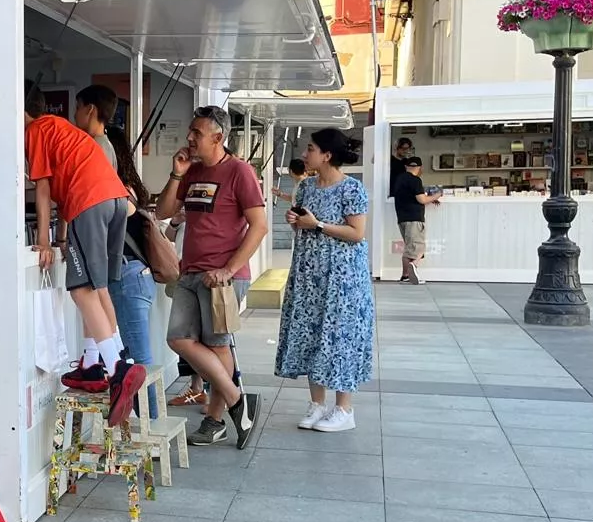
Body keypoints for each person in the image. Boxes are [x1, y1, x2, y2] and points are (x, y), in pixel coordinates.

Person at [26, 85, 146, 423]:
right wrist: (63, 237)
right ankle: (96, 363)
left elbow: (45, 188)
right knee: (99, 287)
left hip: (89, 202)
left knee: (81, 290)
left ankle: (118, 369)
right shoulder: (60, 128)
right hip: (116, 201)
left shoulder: (35, 130)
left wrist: (48, 242)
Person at [155, 106, 267, 448]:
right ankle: (238, 400)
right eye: (190, 131)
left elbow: (260, 225)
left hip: (223, 277)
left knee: (217, 346)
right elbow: (163, 212)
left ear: (218, 138)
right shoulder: (191, 171)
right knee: (178, 339)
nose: (189, 138)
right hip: (190, 270)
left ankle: (215, 420)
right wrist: (176, 174)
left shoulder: (239, 172)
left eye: (197, 134)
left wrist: (229, 270)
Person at [276, 129, 376, 432]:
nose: (305, 154)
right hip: (309, 274)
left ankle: (344, 408)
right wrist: (297, 222)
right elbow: (302, 224)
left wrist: (316, 224)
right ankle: (317, 403)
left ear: (327, 155)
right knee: (310, 332)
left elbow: (357, 233)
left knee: (340, 336)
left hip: (343, 279)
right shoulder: (306, 187)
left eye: (311, 149)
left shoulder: (352, 189)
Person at [73, 89, 161, 418]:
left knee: (136, 359)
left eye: (78, 108)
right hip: (132, 271)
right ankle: (96, 363)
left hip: (127, 272)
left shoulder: (94, 151)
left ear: (90, 110)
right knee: (134, 353)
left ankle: (145, 424)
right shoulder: (111, 155)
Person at [392, 156, 440, 284]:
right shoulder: (415, 180)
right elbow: (422, 200)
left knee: (409, 247)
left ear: (406, 166)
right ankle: (413, 265)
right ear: (419, 168)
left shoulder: (399, 179)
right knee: (419, 247)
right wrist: (436, 195)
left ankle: (405, 276)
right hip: (415, 218)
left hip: (402, 218)